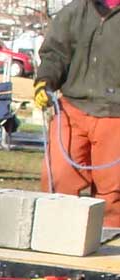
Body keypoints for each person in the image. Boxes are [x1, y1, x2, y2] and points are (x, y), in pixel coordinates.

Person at [35, 0, 120, 227]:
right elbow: (54, 55)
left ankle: (109, 249)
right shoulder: (74, 12)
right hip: (72, 108)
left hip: (116, 114)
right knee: (58, 176)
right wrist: (44, 82)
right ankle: (58, 234)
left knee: (113, 191)